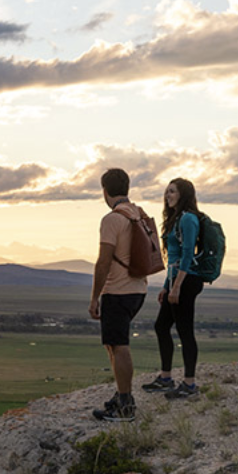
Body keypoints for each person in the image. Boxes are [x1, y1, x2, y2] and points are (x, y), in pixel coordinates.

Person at [89, 168, 148, 422]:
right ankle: (122, 395)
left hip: (118, 290)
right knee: (113, 343)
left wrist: (95, 296)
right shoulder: (137, 213)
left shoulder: (112, 219)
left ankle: (125, 405)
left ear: (105, 190)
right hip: (138, 288)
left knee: (119, 346)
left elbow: (103, 261)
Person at [142, 177, 204, 399]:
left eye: (173, 192)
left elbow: (187, 254)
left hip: (187, 281)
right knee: (161, 326)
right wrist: (167, 287)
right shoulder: (176, 219)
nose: (168, 196)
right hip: (177, 280)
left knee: (185, 330)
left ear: (184, 195)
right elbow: (174, 259)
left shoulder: (188, 219)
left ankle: (189, 385)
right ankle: (166, 377)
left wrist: (176, 287)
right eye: (167, 192)